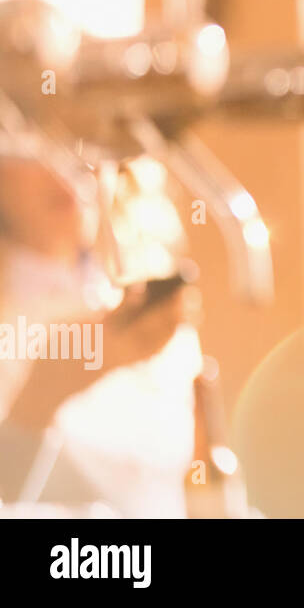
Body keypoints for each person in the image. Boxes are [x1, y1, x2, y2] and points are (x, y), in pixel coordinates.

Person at [0, 151, 200, 516]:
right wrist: (40, 398)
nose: (64, 167)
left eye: (80, 140)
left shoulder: (145, 303)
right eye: (31, 144)